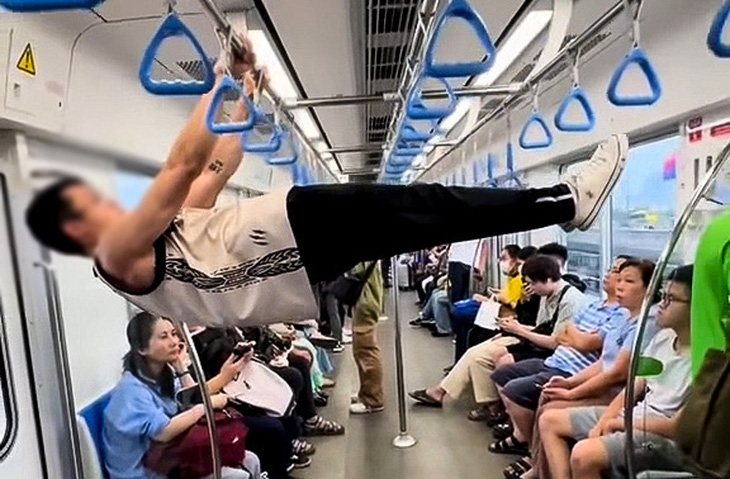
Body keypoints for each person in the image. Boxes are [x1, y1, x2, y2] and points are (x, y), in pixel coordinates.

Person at [24, 30, 629, 329]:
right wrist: (220, 80)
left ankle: (561, 202)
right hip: (292, 237)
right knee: (428, 203)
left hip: (294, 255)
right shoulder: (118, 252)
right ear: (75, 228)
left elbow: (214, 167)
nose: (106, 202)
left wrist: (242, 107)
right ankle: (564, 201)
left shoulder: (170, 235)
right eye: (88, 201)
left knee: (427, 212)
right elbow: (181, 166)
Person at [540, 265, 693, 479]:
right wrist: (605, 421)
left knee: (583, 454)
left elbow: (678, 428)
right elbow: (633, 387)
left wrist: (618, 423)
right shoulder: (663, 338)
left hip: (662, 435)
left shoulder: (708, 358)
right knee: (549, 420)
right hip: (636, 415)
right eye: (663, 296)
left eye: (672, 299)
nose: (661, 305)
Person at [502, 256, 641, 479]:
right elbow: (590, 351)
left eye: (628, 281)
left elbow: (610, 366)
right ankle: (538, 462)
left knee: (548, 407)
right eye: (619, 276)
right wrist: (569, 384)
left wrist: (572, 389)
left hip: (607, 388)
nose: (618, 283)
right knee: (540, 392)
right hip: (566, 364)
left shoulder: (636, 323)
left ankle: (538, 464)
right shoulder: (620, 318)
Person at [407, 255, 585, 417]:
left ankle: (478, 402)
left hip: (552, 352)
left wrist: (519, 330)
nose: (528, 288)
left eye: (531, 283)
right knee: (475, 354)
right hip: (532, 340)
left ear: (546, 279)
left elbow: (555, 343)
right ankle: (489, 404)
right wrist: (516, 326)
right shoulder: (546, 295)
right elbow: (539, 328)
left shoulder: (570, 301)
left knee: (483, 355)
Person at [103, 312, 261, 479]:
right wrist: (206, 407)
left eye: (174, 334)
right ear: (142, 348)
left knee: (251, 460)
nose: (174, 342)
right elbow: (163, 432)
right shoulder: (132, 390)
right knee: (237, 476)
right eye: (164, 337)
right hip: (145, 472)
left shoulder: (162, 374)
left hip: (167, 458)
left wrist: (181, 367)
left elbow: (192, 396)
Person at [349, 261, 386, 414]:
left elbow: (357, 270)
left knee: (366, 351)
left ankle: (373, 399)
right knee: (360, 351)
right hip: (365, 299)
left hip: (366, 301)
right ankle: (365, 392)